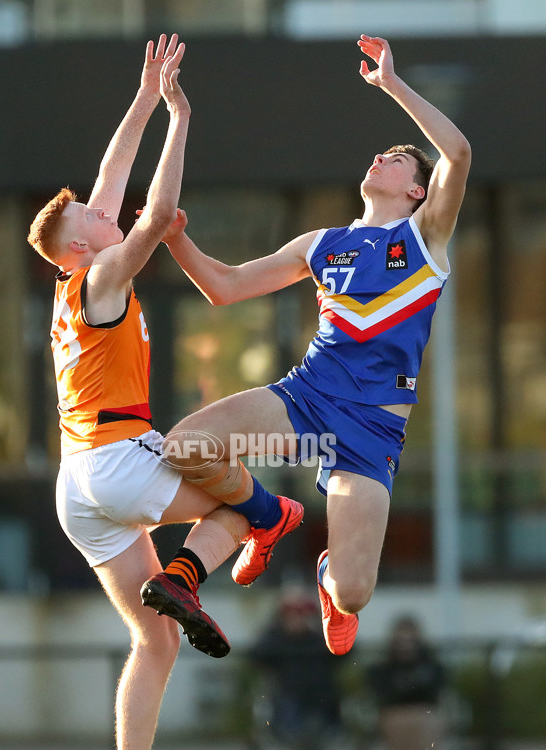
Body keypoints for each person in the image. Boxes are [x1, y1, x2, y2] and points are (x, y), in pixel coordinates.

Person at [27, 36, 300, 750]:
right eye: (89, 221)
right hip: (118, 455)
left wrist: (147, 98)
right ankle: (187, 574)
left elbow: (113, 189)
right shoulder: (103, 273)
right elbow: (149, 218)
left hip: (79, 486)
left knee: (151, 641)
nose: (101, 213)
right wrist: (182, 125)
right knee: (244, 507)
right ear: (78, 249)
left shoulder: (75, 279)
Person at [154, 34, 471, 657]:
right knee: (186, 446)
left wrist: (390, 84)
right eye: (379, 154)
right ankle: (266, 518)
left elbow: (457, 152)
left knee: (355, 593)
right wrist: (174, 238)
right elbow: (225, 287)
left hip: (369, 431)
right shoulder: (321, 244)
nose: (381, 158)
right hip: (305, 404)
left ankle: (326, 577)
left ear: (416, 191)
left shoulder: (426, 236)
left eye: (397, 160)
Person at [247, 586, 343, 750]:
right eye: (291, 615)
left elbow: (345, 651)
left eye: (302, 615)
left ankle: (311, 742)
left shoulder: (319, 640)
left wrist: (327, 625)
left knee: (320, 719)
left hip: (322, 701)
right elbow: (255, 655)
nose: (297, 621)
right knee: (292, 714)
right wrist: (275, 628)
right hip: (287, 702)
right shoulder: (276, 640)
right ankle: (307, 743)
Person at [366, 616, 447, 750]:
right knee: (403, 724)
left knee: (423, 722)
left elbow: (434, 692)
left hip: (424, 715)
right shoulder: (384, 668)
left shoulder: (431, 666)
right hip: (394, 715)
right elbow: (385, 694)